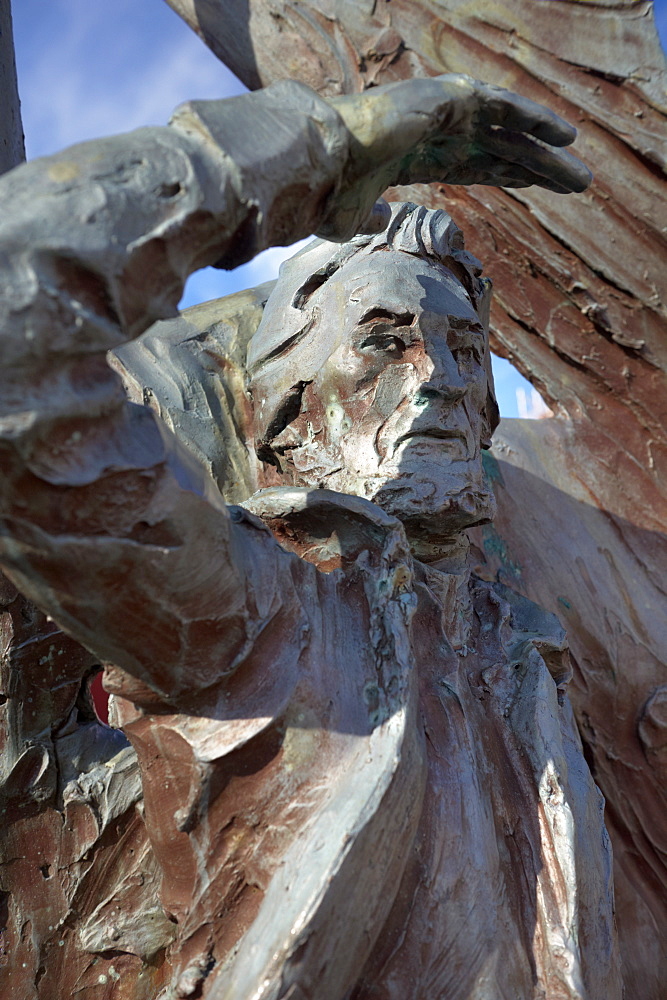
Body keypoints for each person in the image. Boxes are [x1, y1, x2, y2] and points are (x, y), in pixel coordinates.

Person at [0, 75, 619, 998]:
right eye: (384, 341)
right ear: (288, 426)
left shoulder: (532, 652)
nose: (444, 378)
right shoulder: (257, 617)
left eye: (464, 351)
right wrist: (317, 150)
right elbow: (17, 325)